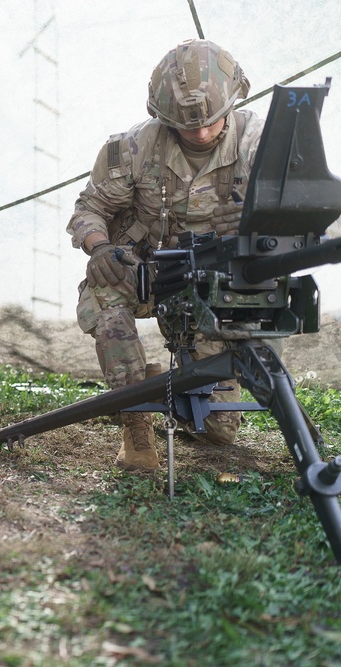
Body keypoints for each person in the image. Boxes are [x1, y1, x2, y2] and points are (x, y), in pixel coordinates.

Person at [66, 39, 263, 471]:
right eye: (186, 124)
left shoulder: (261, 144)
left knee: (215, 428)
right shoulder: (132, 149)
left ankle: (162, 386)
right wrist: (99, 247)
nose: (201, 132)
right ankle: (136, 423)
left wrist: (254, 227)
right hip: (148, 274)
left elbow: (312, 217)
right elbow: (89, 209)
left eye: (212, 121)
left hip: (219, 286)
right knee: (103, 294)